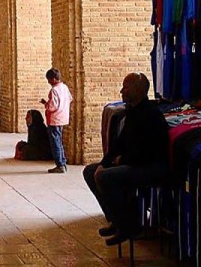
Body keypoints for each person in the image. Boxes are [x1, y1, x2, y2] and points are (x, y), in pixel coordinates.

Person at [82, 73, 169, 246]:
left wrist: (119, 161)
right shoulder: (131, 112)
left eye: (126, 87)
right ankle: (117, 220)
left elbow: (147, 152)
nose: (122, 91)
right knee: (91, 171)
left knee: (105, 177)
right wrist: (104, 163)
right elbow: (118, 144)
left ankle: (129, 226)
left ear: (137, 89)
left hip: (150, 167)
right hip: (133, 162)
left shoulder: (151, 115)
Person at [40, 68, 72, 174]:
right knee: (59, 141)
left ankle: (60, 165)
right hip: (62, 117)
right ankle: (63, 162)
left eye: (49, 80)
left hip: (54, 119)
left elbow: (52, 106)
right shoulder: (65, 87)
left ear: (54, 79)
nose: (48, 82)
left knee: (55, 143)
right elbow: (69, 99)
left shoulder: (54, 90)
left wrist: (46, 104)